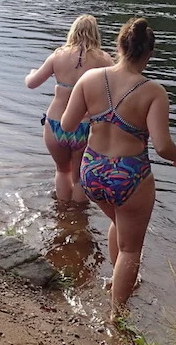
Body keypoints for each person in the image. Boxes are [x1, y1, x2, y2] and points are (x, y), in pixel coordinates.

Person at [61, 17, 176, 323]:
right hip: (130, 176)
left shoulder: (89, 79)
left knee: (118, 221)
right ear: (149, 54)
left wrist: (96, 119)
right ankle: (117, 318)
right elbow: (162, 146)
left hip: (92, 171)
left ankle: (116, 281)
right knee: (132, 249)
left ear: (118, 46)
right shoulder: (154, 92)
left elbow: (66, 124)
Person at [25, 15, 113, 204]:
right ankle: (79, 218)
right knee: (80, 177)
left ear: (72, 31)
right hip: (83, 126)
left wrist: (31, 73)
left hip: (56, 124)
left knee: (62, 170)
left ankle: (63, 215)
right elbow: (119, 85)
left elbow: (32, 84)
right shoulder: (103, 59)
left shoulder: (58, 56)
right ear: (95, 34)